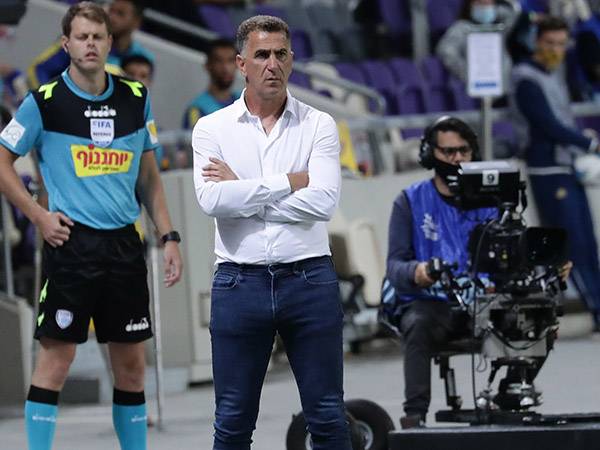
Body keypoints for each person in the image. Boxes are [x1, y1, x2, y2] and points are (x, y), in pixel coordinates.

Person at [0, 3, 182, 449]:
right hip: (71, 247)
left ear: (109, 42)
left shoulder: (134, 97)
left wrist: (169, 236)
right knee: (55, 364)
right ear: (66, 44)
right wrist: (39, 216)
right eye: (81, 37)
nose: (90, 45)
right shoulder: (44, 102)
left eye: (98, 37)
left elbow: (149, 179)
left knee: (132, 368)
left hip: (124, 247)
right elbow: (2, 163)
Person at [192, 15, 351, 450]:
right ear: (241, 64)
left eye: (281, 54)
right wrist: (288, 182)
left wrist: (242, 187)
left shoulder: (318, 124)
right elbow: (212, 201)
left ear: (292, 60)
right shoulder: (211, 128)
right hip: (239, 283)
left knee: (328, 415)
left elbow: (322, 204)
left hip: (309, 279)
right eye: (262, 55)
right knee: (232, 421)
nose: (272, 64)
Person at [385, 116, 571, 428]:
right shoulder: (410, 201)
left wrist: (550, 269)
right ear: (430, 154)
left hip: (488, 302)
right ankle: (414, 415)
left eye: (464, 151)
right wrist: (419, 271)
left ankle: (510, 393)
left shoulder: (498, 203)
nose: (457, 158)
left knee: (542, 318)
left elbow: (520, 255)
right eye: (449, 152)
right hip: (435, 302)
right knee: (418, 322)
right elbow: (394, 266)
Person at [511, 16, 600, 332]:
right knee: (570, 245)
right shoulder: (525, 78)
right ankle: (595, 309)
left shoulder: (554, 74)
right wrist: (588, 143)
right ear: (536, 41)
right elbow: (547, 124)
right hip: (547, 169)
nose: (555, 49)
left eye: (561, 44)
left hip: (566, 165)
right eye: (550, 43)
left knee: (588, 242)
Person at [27, 0, 154, 89]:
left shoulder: (143, 59)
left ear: (136, 22)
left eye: (120, 14)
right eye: (111, 10)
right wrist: (50, 103)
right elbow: (38, 70)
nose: (112, 17)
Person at [436, 0, 519, 89]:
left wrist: (495, 11)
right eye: (480, 3)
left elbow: (513, 16)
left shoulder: (500, 28)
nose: (484, 7)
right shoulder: (461, 28)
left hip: (502, 87)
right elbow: (446, 51)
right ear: (470, 5)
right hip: (469, 87)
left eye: (488, 4)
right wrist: (467, 72)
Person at [121, 54, 168, 170]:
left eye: (143, 76)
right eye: (131, 74)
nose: (136, 80)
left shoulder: (155, 129)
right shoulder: (108, 119)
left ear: (150, 81)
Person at [182, 38, 241, 129]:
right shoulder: (197, 110)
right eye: (219, 61)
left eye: (230, 60)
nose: (226, 68)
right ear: (207, 65)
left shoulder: (245, 101)